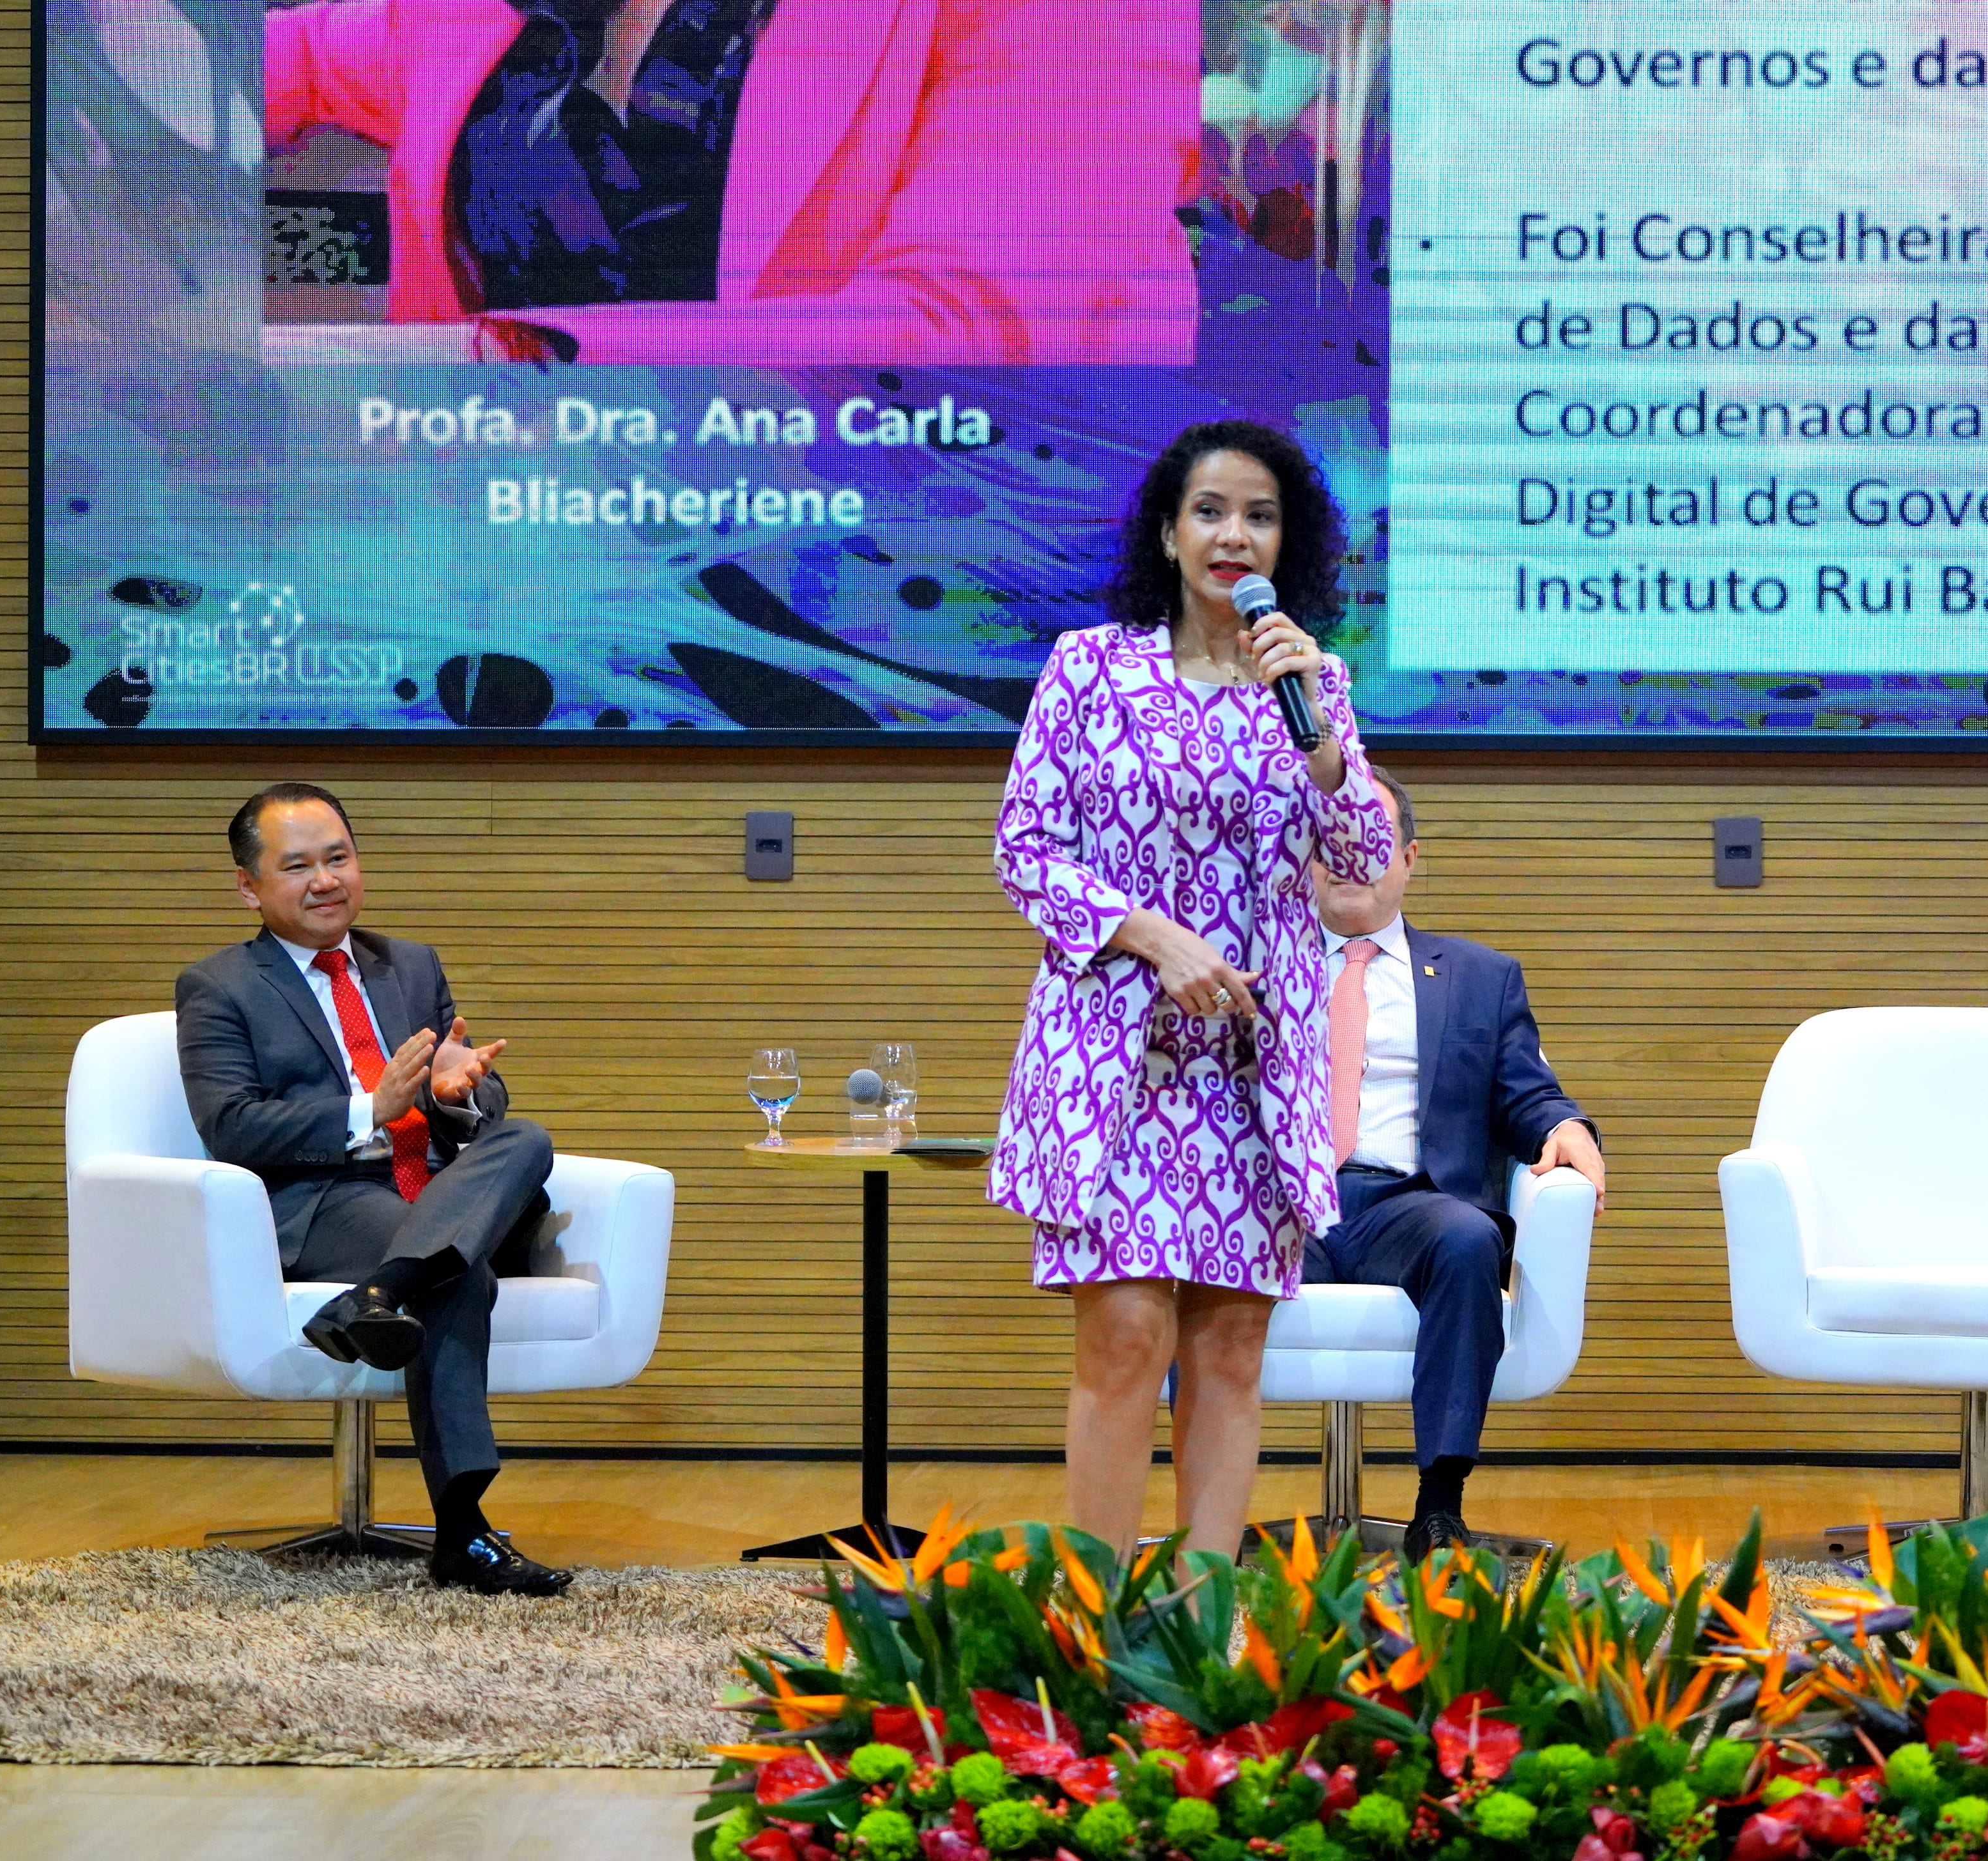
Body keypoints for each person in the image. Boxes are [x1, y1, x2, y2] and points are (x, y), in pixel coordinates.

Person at [992, 421, 1396, 1557]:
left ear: (1287, 541)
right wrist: (1147, 936)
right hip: (1116, 1067)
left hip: (1250, 1076)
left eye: (1259, 515)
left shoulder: (1315, 682)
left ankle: (1201, 1621)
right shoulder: (1088, 668)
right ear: (1168, 534)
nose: (1234, 535)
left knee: (1227, 1353)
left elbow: (1364, 858)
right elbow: (1025, 847)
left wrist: (1316, 738)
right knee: (1122, 1337)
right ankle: (1101, 1614)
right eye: (1211, 510)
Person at [260, 0, 1192, 365]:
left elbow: (971, 330)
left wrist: (483, 364)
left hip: (890, 617)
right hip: (503, 577)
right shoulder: (481, 14)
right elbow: (244, 61)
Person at [175, 782, 573, 1595]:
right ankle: (463, 1531)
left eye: (339, 857)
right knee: (460, 1272)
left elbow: (476, 1090)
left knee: (523, 1135)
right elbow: (233, 1126)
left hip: (432, 1185)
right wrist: (372, 1107)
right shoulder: (220, 986)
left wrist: (456, 1094)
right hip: (328, 1196)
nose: (325, 880)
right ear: (249, 886)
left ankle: (383, 1292)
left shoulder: (410, 964)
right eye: (298, 866)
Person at [1304, 769, 1603, 1563]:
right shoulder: (1253, 966)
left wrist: (1566, 1124)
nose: (1348, 858)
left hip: (1409, 1205)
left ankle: (1438, 1503)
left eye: (1369, 841)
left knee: (1470, 1238)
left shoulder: (1479, 976)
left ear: (1407, 858)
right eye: (1328, 839)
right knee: (1197, 1250)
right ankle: (1205, 1508)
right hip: (1279, 1202)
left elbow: (1527, 1093)